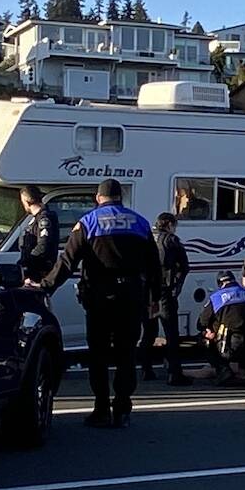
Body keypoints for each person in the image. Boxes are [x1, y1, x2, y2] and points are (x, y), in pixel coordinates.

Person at [34, 179, 160, 427]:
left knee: (99, 355)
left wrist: (45, 286)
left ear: (98, 198)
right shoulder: (141, 223)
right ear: (120, 197)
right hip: (131, 297)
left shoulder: (89, 222)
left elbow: (67, 262)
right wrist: (154, 298)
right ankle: (122, 408)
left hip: (100, 297)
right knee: (126, 354)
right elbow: (154, 267)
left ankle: (101, 408)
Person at [143, 212, 193, 386]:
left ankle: (146, 369)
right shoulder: (171, 240)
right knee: (171, 333)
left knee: (149, 332)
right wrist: (176, 288)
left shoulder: (146, 237)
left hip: (146, 292)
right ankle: (174, 373)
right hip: (164, 292)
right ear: (170, 224)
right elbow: (184, 266)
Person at [14, 184, 59, 283]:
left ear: (27, 201)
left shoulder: (44, 220)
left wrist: (28, 263)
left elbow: (43, 246)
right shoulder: (36, 219)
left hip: (39, 273)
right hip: (34, 271)